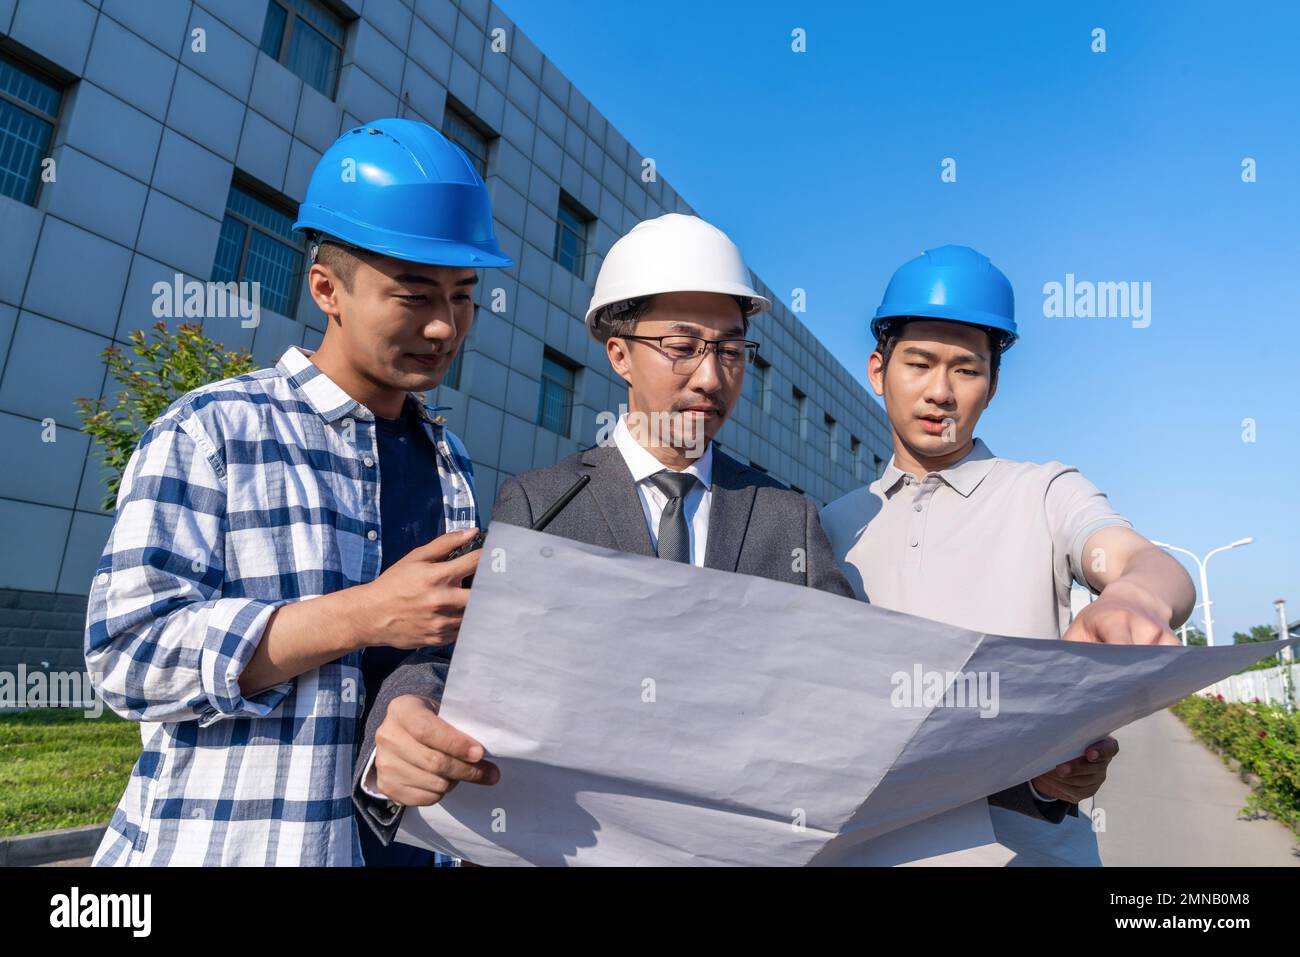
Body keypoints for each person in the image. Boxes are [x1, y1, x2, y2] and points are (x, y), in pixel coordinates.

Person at [351, 217, 1093, 855]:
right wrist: (402, 722)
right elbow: (451, 660)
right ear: (618, 353)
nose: (711, 377)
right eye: (682, 345)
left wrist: (1030, 774)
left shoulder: (785, 517)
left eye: (732, 350)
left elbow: (860, 697)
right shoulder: (540, 505)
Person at [83, 118, 512, 866]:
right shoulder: (213, 431)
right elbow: (125, 654)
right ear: (326, 288)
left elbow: (438, 659)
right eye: (413, 295)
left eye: (464, 294)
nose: (445, 325)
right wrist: (362, 612)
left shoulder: (450, 463)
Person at [820, 244, 1195, 865]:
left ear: (991, 387)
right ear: (877, 370)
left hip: (1027, 846)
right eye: (918, 363)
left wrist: (1134, 595)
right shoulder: (834, 524)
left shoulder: (1045, 493)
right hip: (870, 847)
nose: (940, 391)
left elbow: (1140, 562)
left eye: (966, 369)